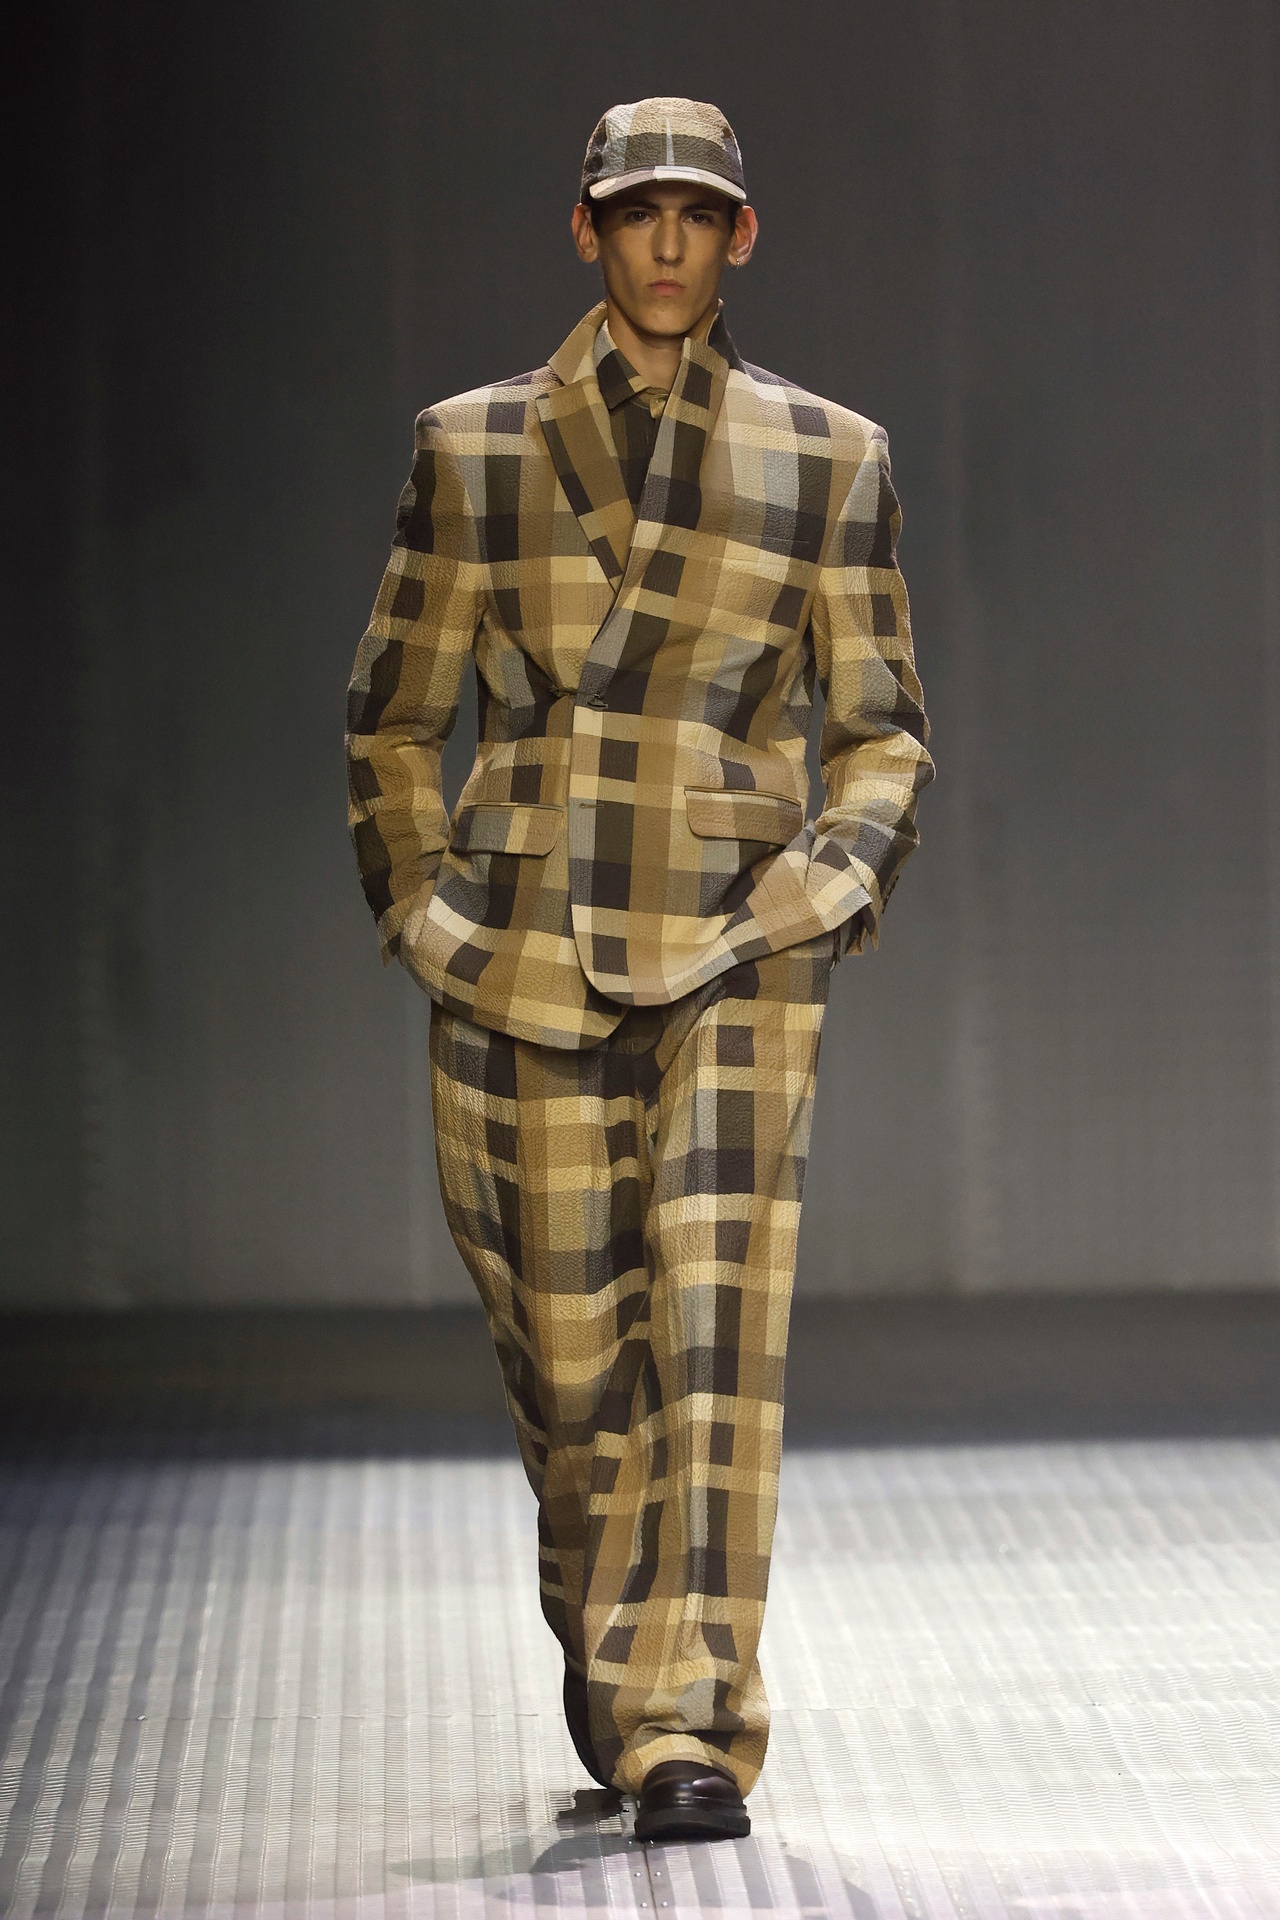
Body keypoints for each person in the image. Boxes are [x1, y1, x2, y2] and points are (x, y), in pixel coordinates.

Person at [346, 97, 932, 1842]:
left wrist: (827, 885)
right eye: (634, 213)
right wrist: (430, 919)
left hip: (738, 938)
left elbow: (883, 728)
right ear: (586, 230)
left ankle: (692, 1725)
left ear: (739, 236)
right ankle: (620, 1678)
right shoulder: (475, 448)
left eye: (696, 214)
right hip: (521, 948)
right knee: (573, 1362)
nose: (666, 243)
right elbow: (392, 720)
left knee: (714, 1327)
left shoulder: (827, 455)